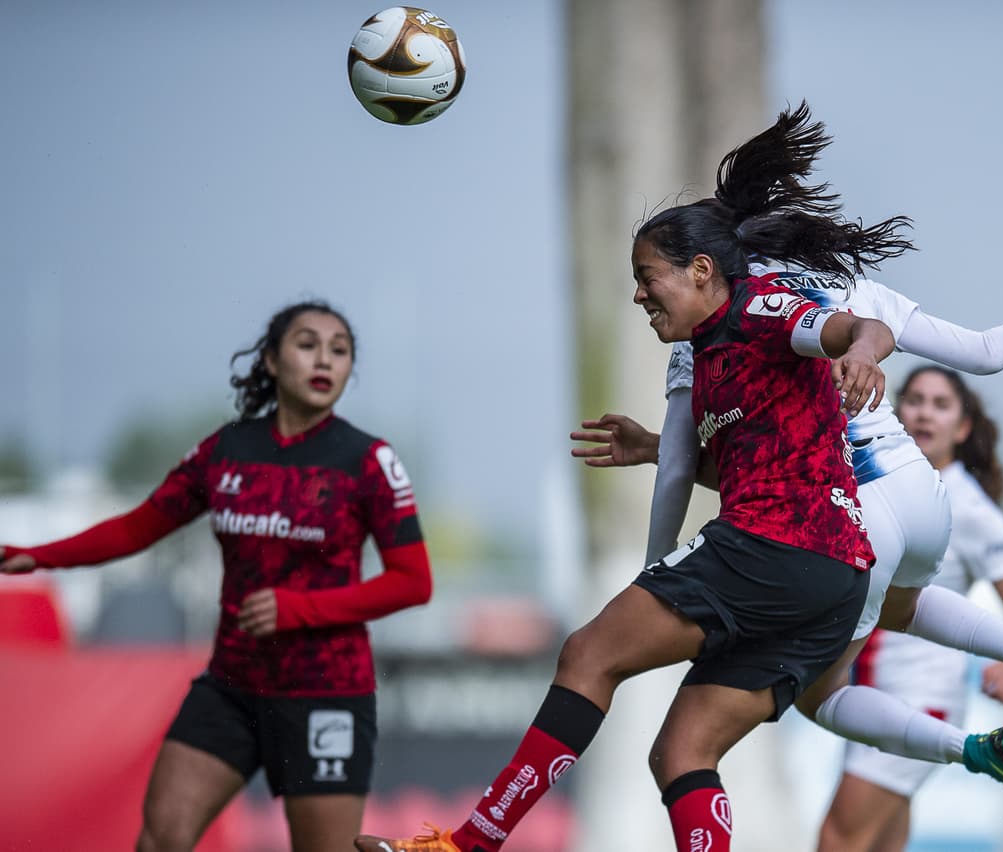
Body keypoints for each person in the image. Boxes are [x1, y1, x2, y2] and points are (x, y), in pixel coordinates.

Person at [354, 102, 915, 852]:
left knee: (589, 654)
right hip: (828, 578)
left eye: (648, 278)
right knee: (680, 753)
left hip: (776, 549)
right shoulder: (713, 350)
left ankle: (469, 845)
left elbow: (857, 328)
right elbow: (760, 465)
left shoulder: (763, 309)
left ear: (702, 271)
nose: (639, 294)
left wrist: (866, 350)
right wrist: (657, 447)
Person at [569, 219, 1003, 825]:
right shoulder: (855, 288)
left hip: (849, 514)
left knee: (820, 697)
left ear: (716, 262)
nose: (647, 295)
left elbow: (685, 466)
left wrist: (656, 576)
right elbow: (989, 355)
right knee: (904, 607)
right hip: (920, 494)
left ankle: (973, 751)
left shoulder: (716, 322)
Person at [0, 301, 434, 852]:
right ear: (273, 362)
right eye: (307, 344)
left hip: (325, 695)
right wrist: (39, 556)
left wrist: (299, 609)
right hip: (232, 688)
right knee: (159, 840)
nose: (324, 359)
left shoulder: (367, 460)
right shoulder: (227, 450)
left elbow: (413, 581)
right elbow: (139, 527)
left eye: (340, 350)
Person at [818, 366, 1003, 851]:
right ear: (896, 412)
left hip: (918, 698)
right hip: (867, 696)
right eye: (916, 400)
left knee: (837, 841)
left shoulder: (971, 509)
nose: (925, 413)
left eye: (941, 405)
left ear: (962, 429)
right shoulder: (874, 479)